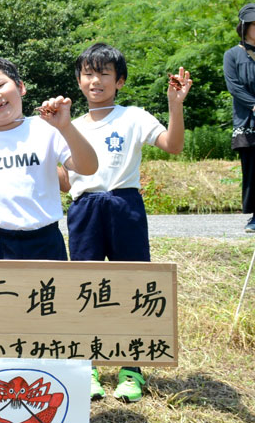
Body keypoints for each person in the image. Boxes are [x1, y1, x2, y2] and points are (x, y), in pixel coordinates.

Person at [60, 43, 190, 403]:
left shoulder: (133, 116)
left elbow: (173, 145)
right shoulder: (68, 125)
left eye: (103, 73)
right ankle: (86, 367)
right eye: (88, 73)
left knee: (133, 285)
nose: (94, 80)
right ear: (79, 80)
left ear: (119, 81)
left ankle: (132, 368)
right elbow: (62, 178)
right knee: (85, 288)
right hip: (84, 208)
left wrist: (175, 106)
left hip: (124, 204)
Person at [0, 55, 98, 260]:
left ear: (21, 87)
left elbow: (88, 167)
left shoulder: (48, 128)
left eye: (1, 85)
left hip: (45, 240)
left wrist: (66, 127)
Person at [224, 3, 255, 232]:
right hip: (247, 119)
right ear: (244, 27)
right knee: (252, 168)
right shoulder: (233, 54)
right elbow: (233, 86)